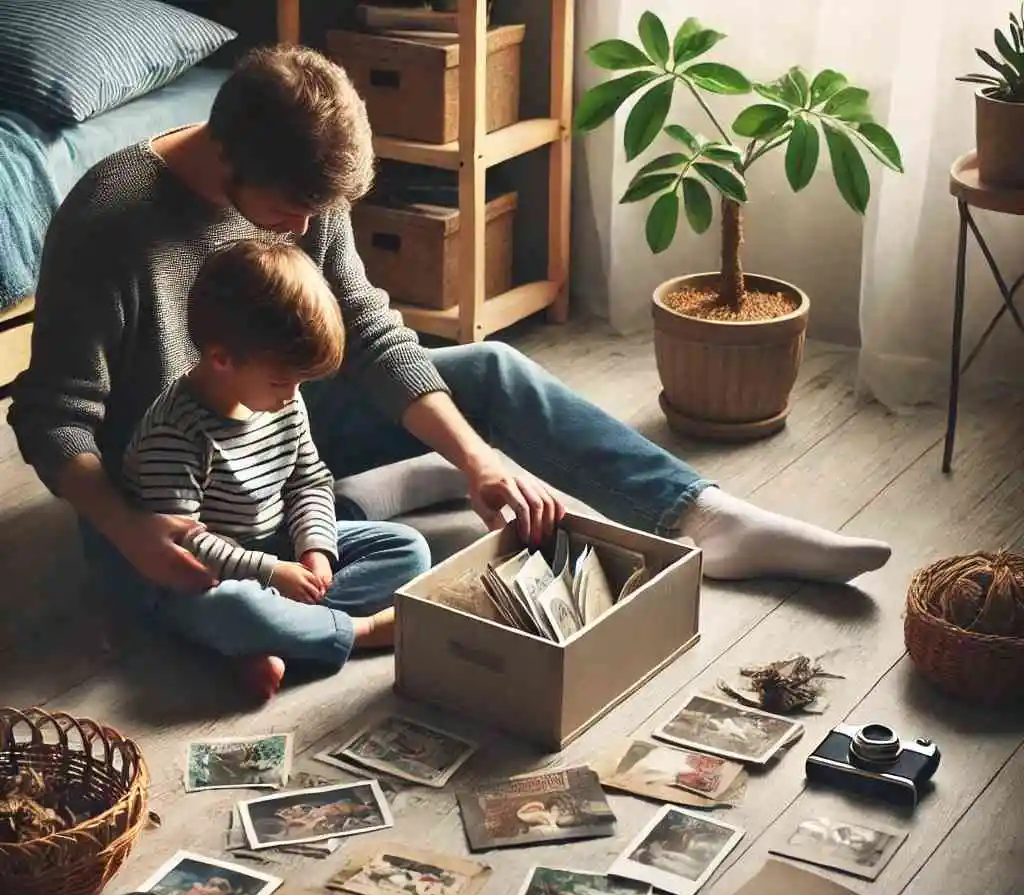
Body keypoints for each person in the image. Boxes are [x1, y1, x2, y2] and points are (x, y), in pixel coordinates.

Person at [6, 44, 891, 653]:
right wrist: (126, 525)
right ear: (228, 157)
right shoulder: (112, 220)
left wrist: (478, 458)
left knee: (490, 376)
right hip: (167, 484)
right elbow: (54, 417)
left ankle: (702, 518)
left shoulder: (298, 184)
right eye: (292, 211)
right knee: (189, 600)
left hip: (279, 420)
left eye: (323, 212)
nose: (309, 230)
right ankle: (354, 535)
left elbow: (365, 325)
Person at [120, 238, 426, 699]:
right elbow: (186, 546)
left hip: (275, 546)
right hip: (202, 574)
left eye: (299, 382)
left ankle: (278, 638)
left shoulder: (281, 398)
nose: (291, 395)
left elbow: (308, 477)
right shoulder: (175, 431)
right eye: (283, 381)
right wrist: (271, 573)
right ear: (222, 359)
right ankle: (355, 633)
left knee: (408, 550)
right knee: (232, 609)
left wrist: (315, 549)